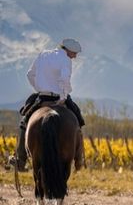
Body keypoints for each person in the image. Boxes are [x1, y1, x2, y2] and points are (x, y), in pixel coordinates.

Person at [7, 38, 86, 172]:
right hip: (59, 98)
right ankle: (79, 159)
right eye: (74, 53)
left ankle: (21, 160)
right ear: (67, 50)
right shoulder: (65, 59)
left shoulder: (43, 54)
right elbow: (65, 79)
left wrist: (39, 88)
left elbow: (30, 74)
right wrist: (63, 96)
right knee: (78, 119)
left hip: (42, 96)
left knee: (25, 121)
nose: (75, 56)